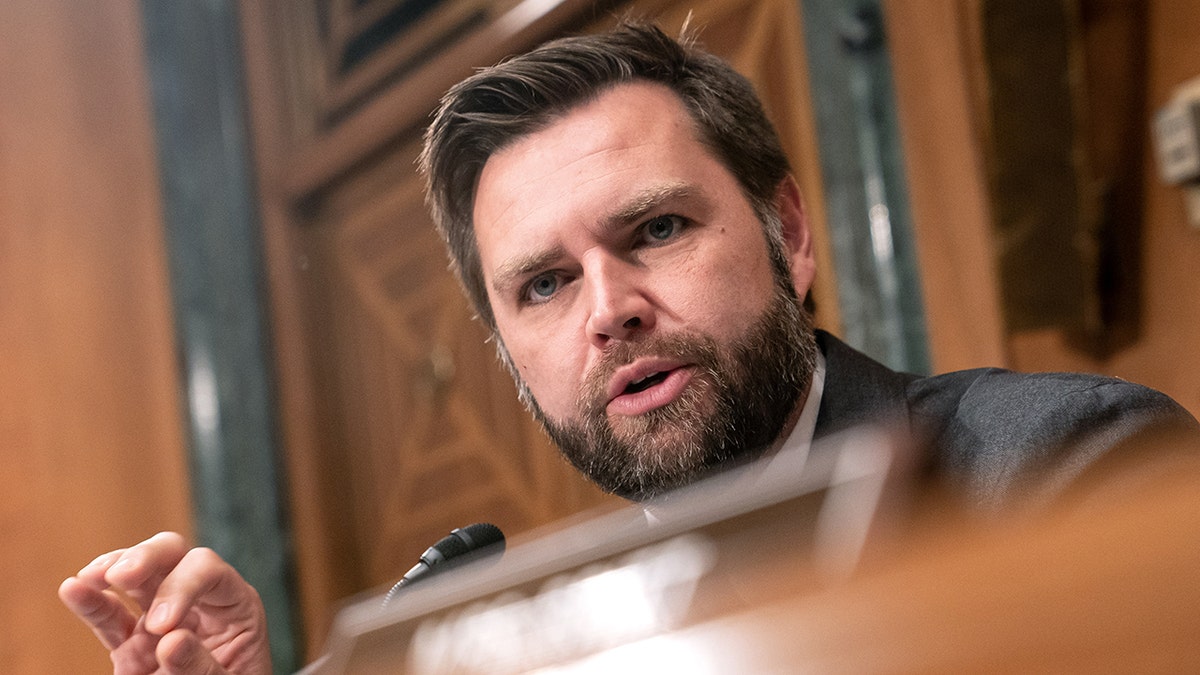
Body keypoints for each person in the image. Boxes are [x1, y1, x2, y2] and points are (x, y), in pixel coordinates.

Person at [59, 22, 1198, 674]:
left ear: (787, 233)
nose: (609, 309)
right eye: (543, 284)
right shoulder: (529, 640)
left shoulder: (1068, 467)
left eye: (654, 230)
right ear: (505, 352)